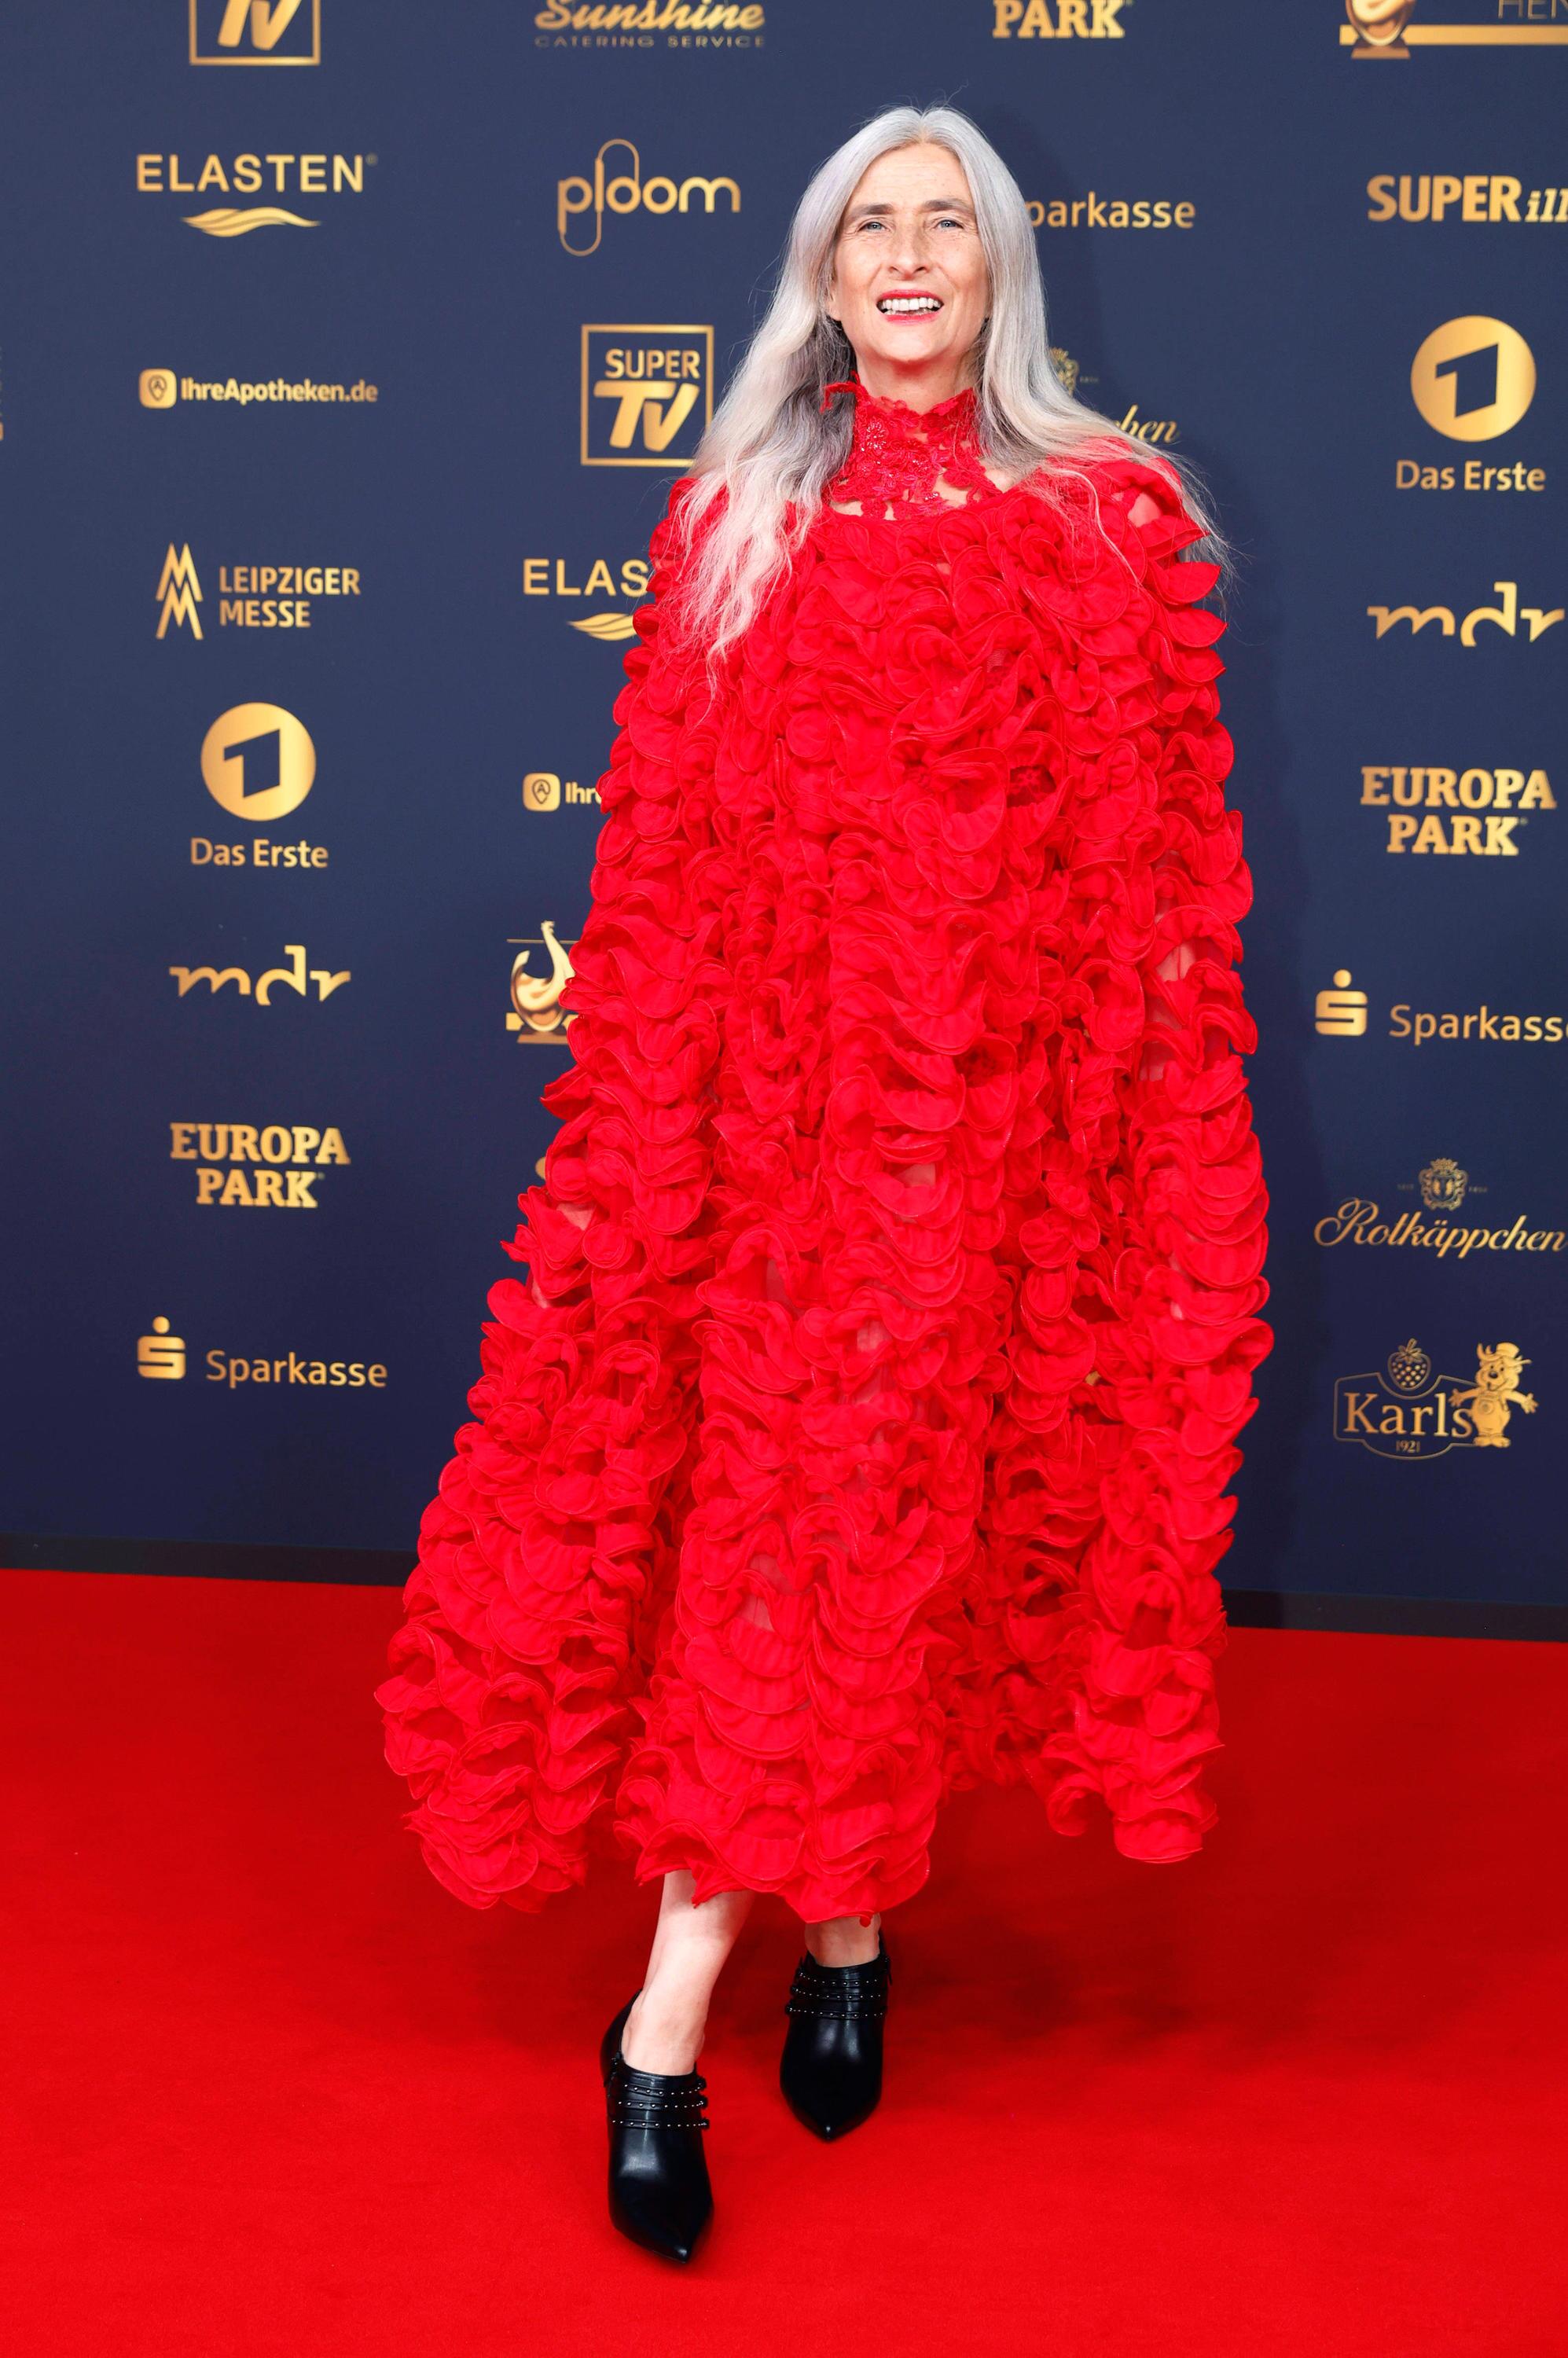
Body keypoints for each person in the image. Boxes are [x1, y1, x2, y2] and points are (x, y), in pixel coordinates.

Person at [376, 102, 1271, 2264]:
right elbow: (659, 870)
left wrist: (1135, 1155)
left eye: (945, 224)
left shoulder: (1108, 522)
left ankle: (852, 1931)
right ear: (822, 270)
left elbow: (1154, 884)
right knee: (791, 1534)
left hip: (1002, 1154)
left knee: (919, 1532)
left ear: (1000, 270)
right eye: (872, 225)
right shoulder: (736, 524)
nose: (907, 255)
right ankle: (670, 2024)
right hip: (776, 1154)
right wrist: (651, 1149)